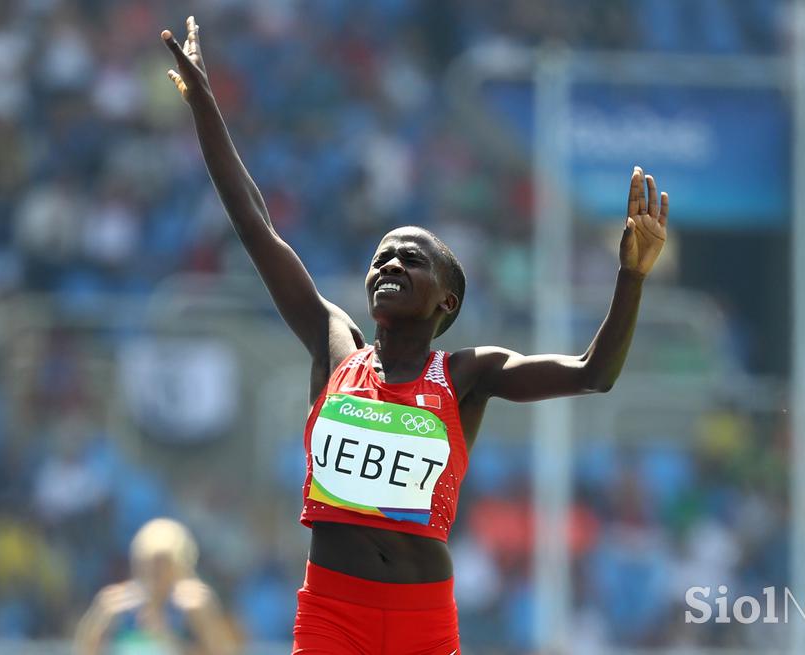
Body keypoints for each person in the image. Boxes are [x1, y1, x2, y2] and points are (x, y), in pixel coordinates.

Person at [162, 15, 668, 654]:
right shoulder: (333, 343)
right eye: (382, 257)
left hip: (422, 622)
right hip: (331, 614)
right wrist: (206, 105)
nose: (390, 264)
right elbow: (255, 223)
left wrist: (631, 276)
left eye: (412, 259)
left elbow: (595, 373)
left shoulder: (467, 376)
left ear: (446, 300)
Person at [74, 518, 241, 655]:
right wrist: (98, 622)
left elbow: (221, 650)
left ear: (181, 566)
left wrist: (202, 622)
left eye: (164, 564)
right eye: (148, 563)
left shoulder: (193, 606)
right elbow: (85, 649)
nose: (156, 573)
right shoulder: (117, 607)